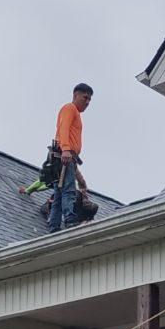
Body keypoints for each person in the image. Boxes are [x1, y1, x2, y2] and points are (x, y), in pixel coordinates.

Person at [47, 83, 92, 232]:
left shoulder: (75, 113)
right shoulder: (69, 108)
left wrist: (81, 178)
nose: (87, 102)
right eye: (85, 98)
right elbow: (63, 128)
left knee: (59, 194)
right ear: (75, 95)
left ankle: (54, 225)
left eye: (89, 100)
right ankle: (70, 220)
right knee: (68, 190)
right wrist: (66, 149)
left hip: (65, 158)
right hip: (63, 155)